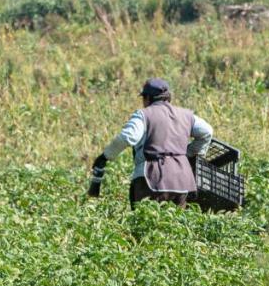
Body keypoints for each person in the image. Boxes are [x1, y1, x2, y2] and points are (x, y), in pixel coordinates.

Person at [89, 78, 213, 208]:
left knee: (144, 222)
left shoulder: (144, 115)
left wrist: (105, 156)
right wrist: (188, 154)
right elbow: (207, 132)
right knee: (174, 225)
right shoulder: (187, 116)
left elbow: (127, 137)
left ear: (147, 98)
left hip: (152, 178)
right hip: (182, 182)